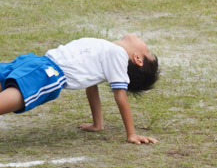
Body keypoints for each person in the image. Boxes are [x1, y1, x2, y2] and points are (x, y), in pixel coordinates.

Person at [0, 34, 159, 145]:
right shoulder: (107, 50)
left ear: (138, 59)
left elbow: (120, 95)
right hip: (36, 62)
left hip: (46, 74)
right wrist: (98, 124)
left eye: (148, 53)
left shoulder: (118, 54)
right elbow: (91, 86)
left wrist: (131, 133)